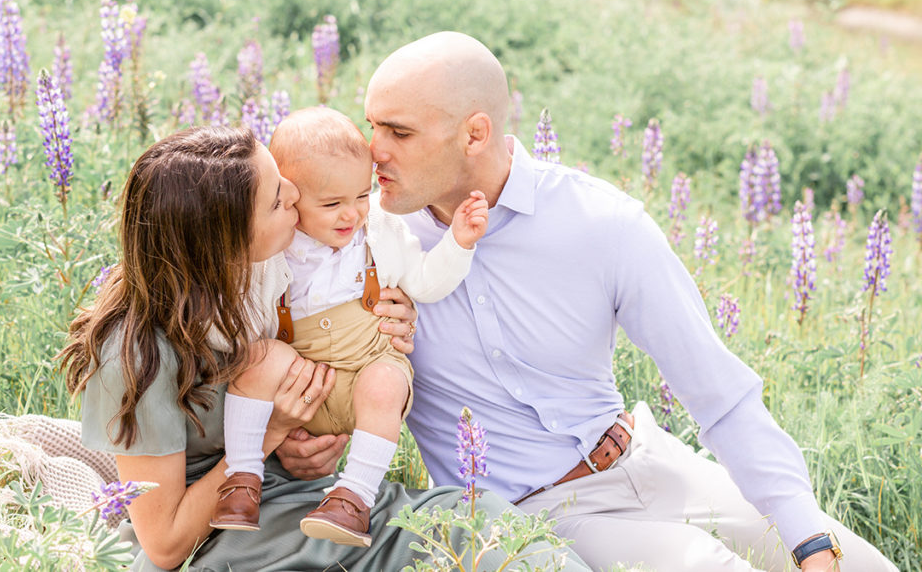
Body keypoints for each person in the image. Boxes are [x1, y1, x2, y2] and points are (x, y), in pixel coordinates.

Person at [276, 32, 899, 572]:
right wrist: (300, 438)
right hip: (531, 511)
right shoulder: (357, 239)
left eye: (398, 132)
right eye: (371, 126)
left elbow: (722, 395)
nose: (373, 150)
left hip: (647, 461)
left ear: (474, 133)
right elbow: (292, 334)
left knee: (857, 564)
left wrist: (810, 539)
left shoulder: (602, 224)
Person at [60, 125, 582, 572]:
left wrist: (387, 321)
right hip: (231, 533)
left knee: (477, 520)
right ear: (227, 237)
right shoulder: (135, 353)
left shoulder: (259, 284)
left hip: (309, 499)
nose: (296, 196)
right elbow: (165, 543)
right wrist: (272, 433)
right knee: (451, 541)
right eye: (278, 199)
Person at [210, 107, 489, 547]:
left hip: (366, 372)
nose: (351, 215)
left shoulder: (379, 231)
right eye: (331, 204)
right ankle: (242, 478)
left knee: (385, 383)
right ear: (288, 196)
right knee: (258, 357)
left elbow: (425, 281)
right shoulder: (275, 248)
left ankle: (353, 498)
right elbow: (247, 324)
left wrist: (458, 243)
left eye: (361, 195)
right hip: (300, 388)